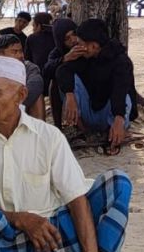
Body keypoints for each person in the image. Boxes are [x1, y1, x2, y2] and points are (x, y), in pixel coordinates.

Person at [0, 57, 132, 252]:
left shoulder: (49, 137)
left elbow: (76, 197)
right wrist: (21, 219)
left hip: (53, 239)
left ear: (21, 95)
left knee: (118, 182)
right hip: (2, 243)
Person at [56, 19, 139, 155]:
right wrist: (70, 96)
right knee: (69, 80)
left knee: (126, 98)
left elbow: (120, 92)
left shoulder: (121, 61)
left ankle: (114, 135)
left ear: (93, 46)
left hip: (111, 115)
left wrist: (119, 119)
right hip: (91, 113)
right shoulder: (84, 57)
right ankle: (84, 131)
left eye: (81, 43)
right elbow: (62, 71)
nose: (78, 46)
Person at [0, 31, 47, 119]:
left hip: (18, 108)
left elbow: (36, 85)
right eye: (15, 52)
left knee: (37, 97)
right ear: (0, 55)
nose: (20, 55)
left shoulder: (28, 68)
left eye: (21, 51)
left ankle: (38, 128)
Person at [42, 18, 78, 126]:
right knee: (54, 83)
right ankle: (58, 125)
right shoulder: (57, 52)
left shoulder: (86, 44)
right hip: (69, 88)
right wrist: (65, 58)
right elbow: (47, 70)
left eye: (74, 34)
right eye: (67, 38)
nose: (73, 40)